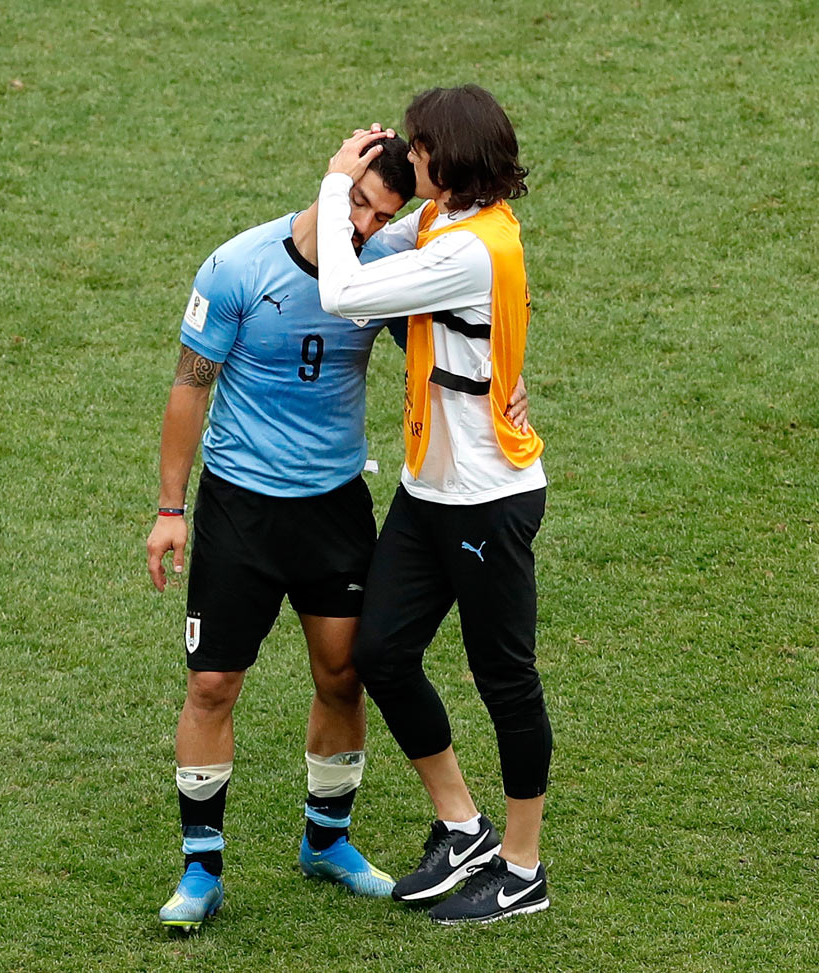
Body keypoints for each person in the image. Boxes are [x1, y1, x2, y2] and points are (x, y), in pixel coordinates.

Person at [144, 134, 529, 930]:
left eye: (380, 212)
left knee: (343, 673)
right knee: (212, 684)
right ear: (330, 180)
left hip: (335, 507)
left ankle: (327, 842)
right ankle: (200, 868)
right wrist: (170, 508)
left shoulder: (380, 268)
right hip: (240, 511)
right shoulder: (237, 267)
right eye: (355, 200)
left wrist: (509, 386)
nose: (361, 223)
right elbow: (189, 388)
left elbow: (455, 331)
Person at [315, 85, 552, 925]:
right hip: (426, 493)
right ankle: (463, 826)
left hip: (488, 502)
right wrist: (367, 189)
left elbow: (344, 292)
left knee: (504, 680)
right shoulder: (448, 225)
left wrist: (330, 182)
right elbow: (381, 251)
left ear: (444, 160)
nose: (409, 157)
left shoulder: (469, 248)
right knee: (381, 653)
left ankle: (522, 869)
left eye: (417, 147)